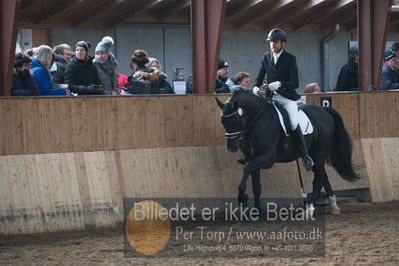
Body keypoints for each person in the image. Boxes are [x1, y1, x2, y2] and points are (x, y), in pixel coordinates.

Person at [253, 28, 313, 170]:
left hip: (286, 97)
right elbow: (260, 76)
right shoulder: (266, 57)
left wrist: (280, 84)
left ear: (283, 43)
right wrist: (255, 87)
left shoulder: (290, 58)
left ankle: (306, 156)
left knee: (292, 123)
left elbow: (295, 83)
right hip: (270, 97)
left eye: (276, 41)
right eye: (271, 41)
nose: (273, 44)